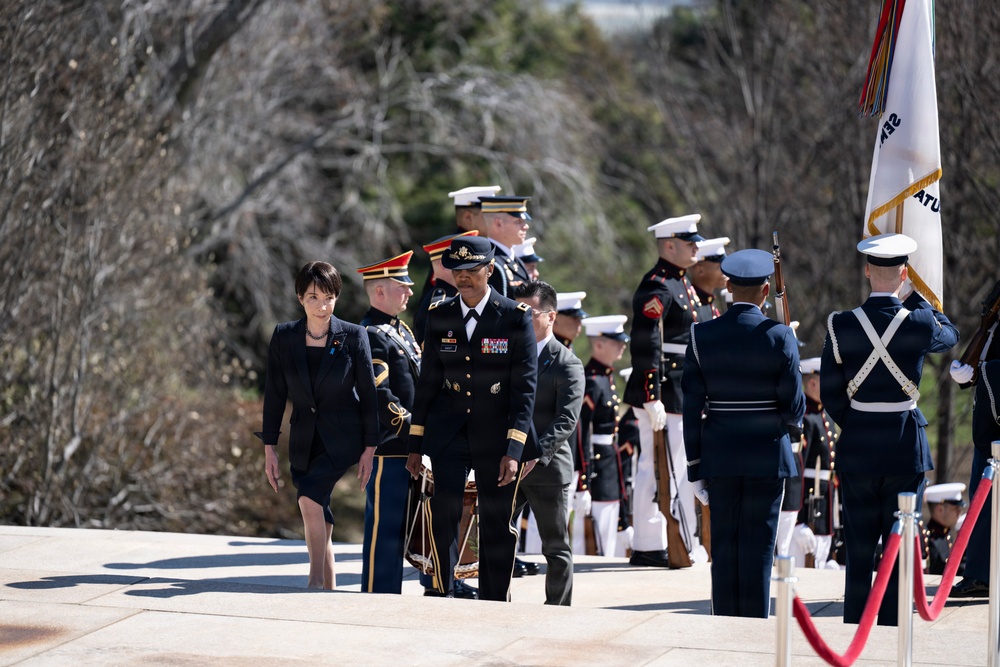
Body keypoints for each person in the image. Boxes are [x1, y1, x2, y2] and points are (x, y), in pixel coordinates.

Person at [820, 233, 959, 626]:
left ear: (866, 271)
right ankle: (891, 629)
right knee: (899, 547)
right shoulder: (918, 322)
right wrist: (915, 296)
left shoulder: (840, 324)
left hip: (858, 448)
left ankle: (857, 628)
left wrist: (860, 421)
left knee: (860, 549)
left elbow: (831, 393)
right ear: (903, 274)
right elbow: (951, 335)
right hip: (903, 448)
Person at [405, 235, 537, 601]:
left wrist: (514, 449)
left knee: (495, 522)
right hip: (449, 434)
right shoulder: (439, 316)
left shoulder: (513, 318)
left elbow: (525, 389)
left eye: (472, 270)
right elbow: (428, 384)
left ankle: (494, 599)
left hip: (496, 436)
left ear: (490, 270)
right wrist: (416, 445)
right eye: (457, 271)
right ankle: (444, 591)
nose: (463, 278)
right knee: (444, 514)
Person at [682, 248, 805, 618]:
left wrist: (694, 467)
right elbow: (795, 409)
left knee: (724, 549)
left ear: (729, 288)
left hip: (719, 456)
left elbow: (691, 408)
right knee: (759, 549)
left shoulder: (701, 334)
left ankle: (724, 624)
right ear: (766, 291)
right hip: (767, 455)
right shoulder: (780, 336)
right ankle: (752, 628)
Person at [256, 261, 379, 590]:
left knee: (309, 499)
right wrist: (269, 447)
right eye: (313, 297)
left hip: (344, 437)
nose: (322, 305)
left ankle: (313, 582)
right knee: (318, 509)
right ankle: (329, 587)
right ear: (300, 298)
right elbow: (275, 395)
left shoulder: (353, 336)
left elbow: (368, 394)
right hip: (304, 439)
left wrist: (370, 447)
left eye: (329, 297)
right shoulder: (284, 337)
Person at [624, 214, 706, 568]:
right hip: (663, 388)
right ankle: (646, 542)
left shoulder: (680, 283)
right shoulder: (657, 285)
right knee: (655, 466)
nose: (696, 248)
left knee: (670, 467)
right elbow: (646, 342)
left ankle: (666, 540)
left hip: (678, 387)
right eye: (690, 243)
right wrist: (650, 392)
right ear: (669, 246)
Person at [511, 280, 584, 605]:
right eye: (518, 311)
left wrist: (535, 456)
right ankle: (496, 602)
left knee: (555, 548)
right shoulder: (509, 355)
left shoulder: (566, 363)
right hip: (508, 466)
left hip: (547, 469)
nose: (522, 318)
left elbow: (566, 420)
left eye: (530, 312)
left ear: (551, 317)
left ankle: (557, 610)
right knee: (495, 539)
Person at [947, 307, 1000, 598]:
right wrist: (967, 376)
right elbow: (983, 365)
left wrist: (980, 372)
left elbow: (990, 371)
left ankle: (982, 575)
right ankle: (980, 574)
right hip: (988, 436)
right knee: (981, 507)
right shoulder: (994, 327)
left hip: (994, 436)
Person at [576, 315, 631, 557]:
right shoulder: (591, 381)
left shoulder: (605, 378)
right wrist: (583, 482)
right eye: (615, 341)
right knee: (594, 542)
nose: (623, 346)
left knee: (608, 541)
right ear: (598, 344)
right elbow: (581, 432)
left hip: (609, 463)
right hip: (598, 467)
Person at [415, 185, 501, 319]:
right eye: (489, 216)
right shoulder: (450, 249)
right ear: (468, 218)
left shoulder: (481, 245)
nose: (496, 221)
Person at [413, 230, 479, 345]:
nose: (468, 268)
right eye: (460, 263)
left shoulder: (455, 296)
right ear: (443, 265)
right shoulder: (441, 302)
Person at [480, 195, 532, 297]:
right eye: (518, 222)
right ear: (498, 224)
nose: (526, 226)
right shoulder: (490, 263)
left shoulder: (516, 260)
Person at [922, 482, 966, 575]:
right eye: (956, 508)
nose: (960, 512)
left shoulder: (947, 535)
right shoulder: (925, 537)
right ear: (940, 509)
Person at [690, 236, 730, 320]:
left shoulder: (708, 303)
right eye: (720, 266)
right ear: (700, 270)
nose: (725, 271)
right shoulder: (691, 304)